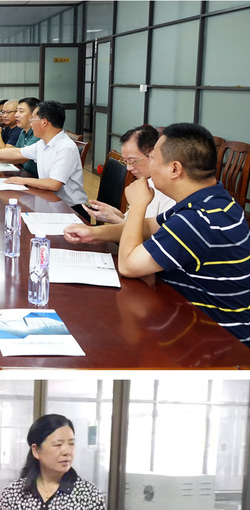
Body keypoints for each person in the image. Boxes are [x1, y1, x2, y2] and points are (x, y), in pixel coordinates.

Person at [67, 123, 250, 345]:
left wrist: (139, 204)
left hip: (217, 341)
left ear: (175, 169)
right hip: (191, 318)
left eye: (153, 158)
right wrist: (93, 233)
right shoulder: (214, 199)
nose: (149, 165)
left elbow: (129, 265)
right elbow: (150, 227)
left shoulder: (196, 219)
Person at [0, 101, 87, 212]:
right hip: (49, 201)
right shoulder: (42, 143)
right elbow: (17, 153)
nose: (31, 123)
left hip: (70, 208)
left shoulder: (65, 147)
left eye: (32, 119)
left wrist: (22, 180)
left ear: (44, 122)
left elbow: (54, 184)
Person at [83, 124, 174, 223]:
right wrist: (114, 214)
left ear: (153, 154)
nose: (128, 168)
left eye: (132, 161)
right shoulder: (145, 182)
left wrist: (116, 219)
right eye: (125, 161)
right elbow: (134, 221)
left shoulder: (169, 190)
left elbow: (157, 230)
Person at [14, 96, 41, 177]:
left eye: (21, 111)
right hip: (25, 175)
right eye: (16, 111)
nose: (16, 115)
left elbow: (21, 156)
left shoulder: (39, 134)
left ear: (34, 115)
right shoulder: (23, 131)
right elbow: (15, 153)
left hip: (35, 180)